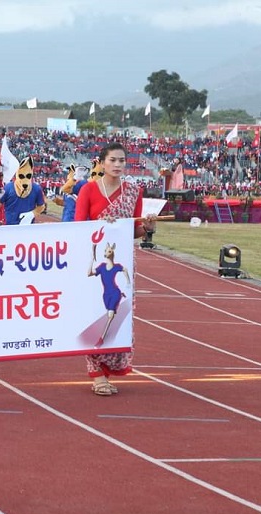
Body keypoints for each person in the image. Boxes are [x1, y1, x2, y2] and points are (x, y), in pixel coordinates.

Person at [74, 142, 156, 396]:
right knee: (94, 315)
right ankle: (96, 373)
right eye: (113, 160)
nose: (118, 165)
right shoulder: (88, 190)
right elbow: (77, 228)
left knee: (118, 315)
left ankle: (108, 371)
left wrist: (149, 227)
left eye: (122, 160)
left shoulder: (133, 191)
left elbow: (134, 230)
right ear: (101, 163)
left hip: (122, 261)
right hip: (95, 260)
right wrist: (101, 225)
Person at [0, 156, 46, 225]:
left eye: (28, 176)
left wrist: (32, 214)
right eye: (21, 176)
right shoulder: (8, 187)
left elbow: (41, 206)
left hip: (28, 226)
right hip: (10, 226)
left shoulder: (36, 189)